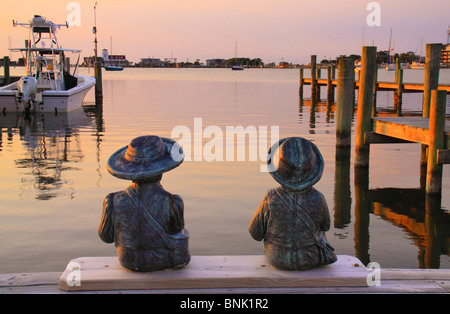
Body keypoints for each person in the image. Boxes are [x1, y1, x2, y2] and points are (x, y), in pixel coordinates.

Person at [99, 135, 190, 272]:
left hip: (127, 261)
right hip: (159, 261)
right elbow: (176, 229)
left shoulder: (112, 200)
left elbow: (106, 237)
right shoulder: (173, 202)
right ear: (162, 170)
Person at [249, 137, 337, 270]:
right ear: (312, 169)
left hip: (277, 259)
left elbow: (255, 233)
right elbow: (325, 226)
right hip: (310, 259)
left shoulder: (271, 198)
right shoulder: (319, 198)